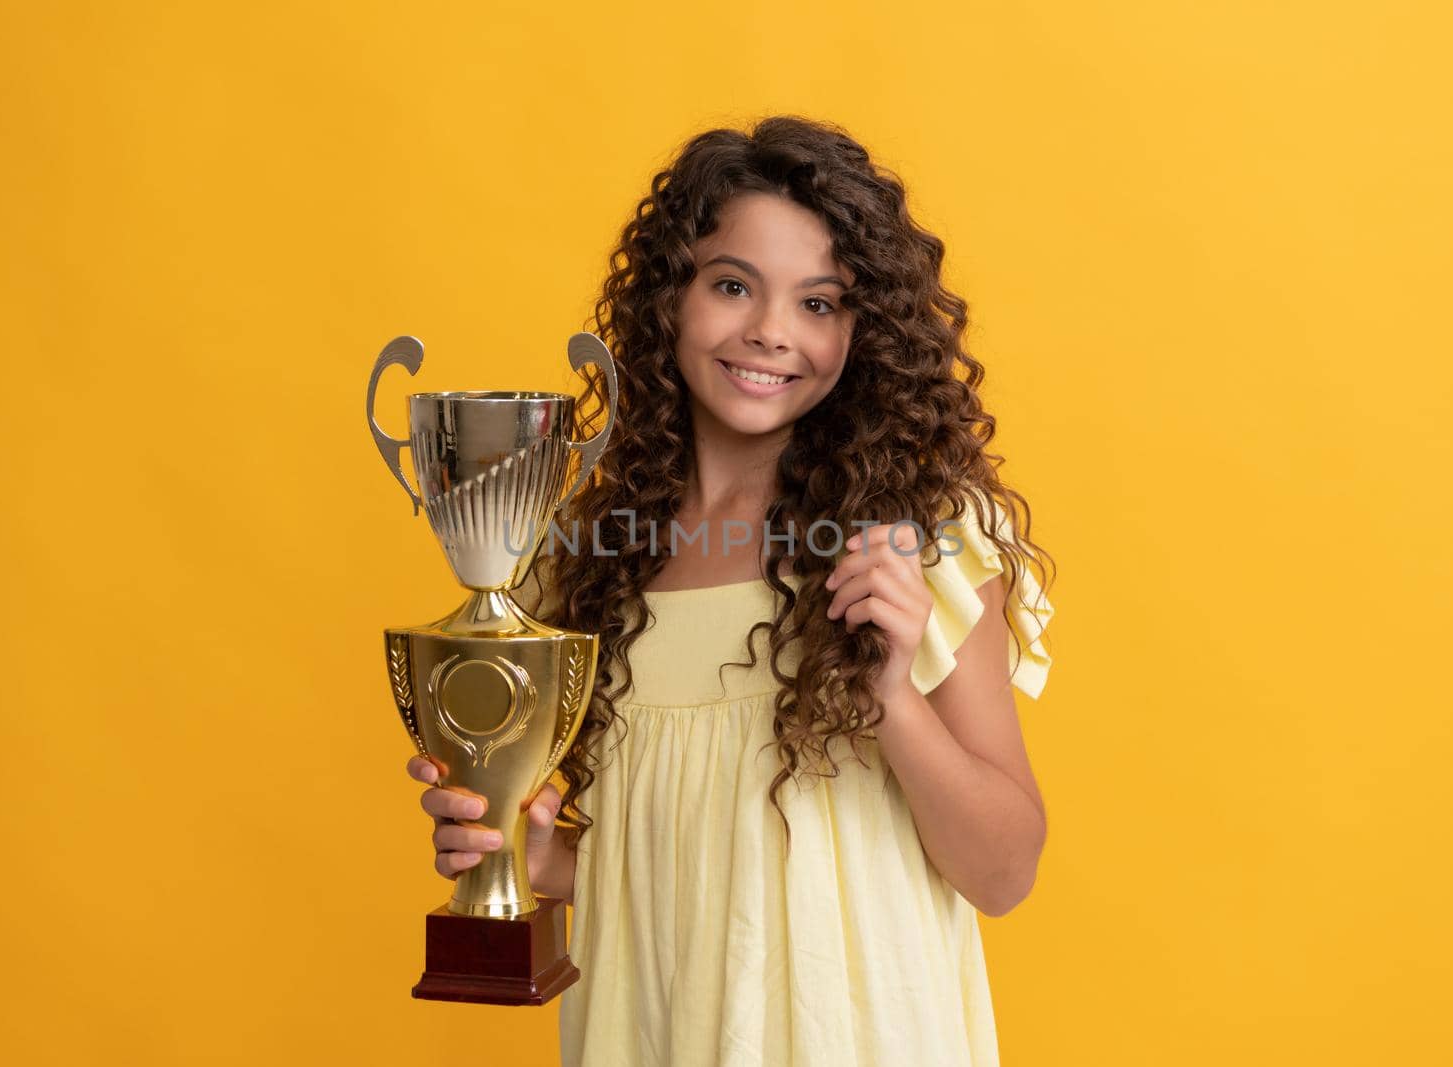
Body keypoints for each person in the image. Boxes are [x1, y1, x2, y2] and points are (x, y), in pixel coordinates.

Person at [406, 114, 1057, 1067]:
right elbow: (694, 868)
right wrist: (537, 862)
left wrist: (892, 696)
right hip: (653, 1030)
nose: (769, 332)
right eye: (733, 285)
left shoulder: (923, 541)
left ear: (864, 329)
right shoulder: (587, 559)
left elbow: (1003, 872)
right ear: (670, 296)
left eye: (820, 303)